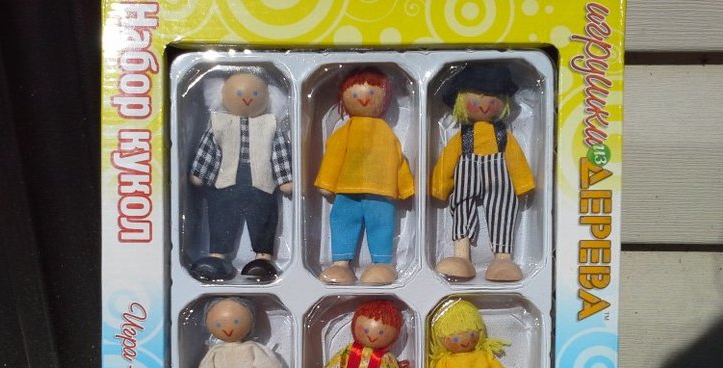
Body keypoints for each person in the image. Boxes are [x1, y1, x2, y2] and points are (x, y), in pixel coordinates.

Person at [431, 63, 534, 281]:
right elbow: (448, 159)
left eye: (493, 100)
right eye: (476, 101)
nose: (485, 106)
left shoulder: (503, 136)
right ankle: (461, 256)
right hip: (466, 174)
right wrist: (440, 186)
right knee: (461, 204)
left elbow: (515, 159)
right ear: (461, 102)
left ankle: (503, 258)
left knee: (503, 206)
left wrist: (523, 184)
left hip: (498, 177)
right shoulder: (462, 137)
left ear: (503, 102)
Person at [189, 71, 293, 282]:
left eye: (255, 93)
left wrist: (284, 179)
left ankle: (263, 258)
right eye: (238, 93)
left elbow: (279, 153)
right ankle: (217, 255)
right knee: (221, 216)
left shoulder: (270, 125)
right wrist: (199, 172)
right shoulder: (219, 123)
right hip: (225, 181)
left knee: (263, 217)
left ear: (269, 96)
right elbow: (208, 149)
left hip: (261, 181)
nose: (247, 98)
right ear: (221, 93)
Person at [315, 68, 415, 285]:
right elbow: (333, 155)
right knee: (342, 220)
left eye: (372, 93)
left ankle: (382, 263)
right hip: (347, 190)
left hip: (381, 191)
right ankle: (340, 264)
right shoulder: (345, 131)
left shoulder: (385, 132)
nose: (363, 98)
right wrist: (327, 182)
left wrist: (405, 186)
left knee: (382, 224)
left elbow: (398, 159)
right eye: (354, 94)